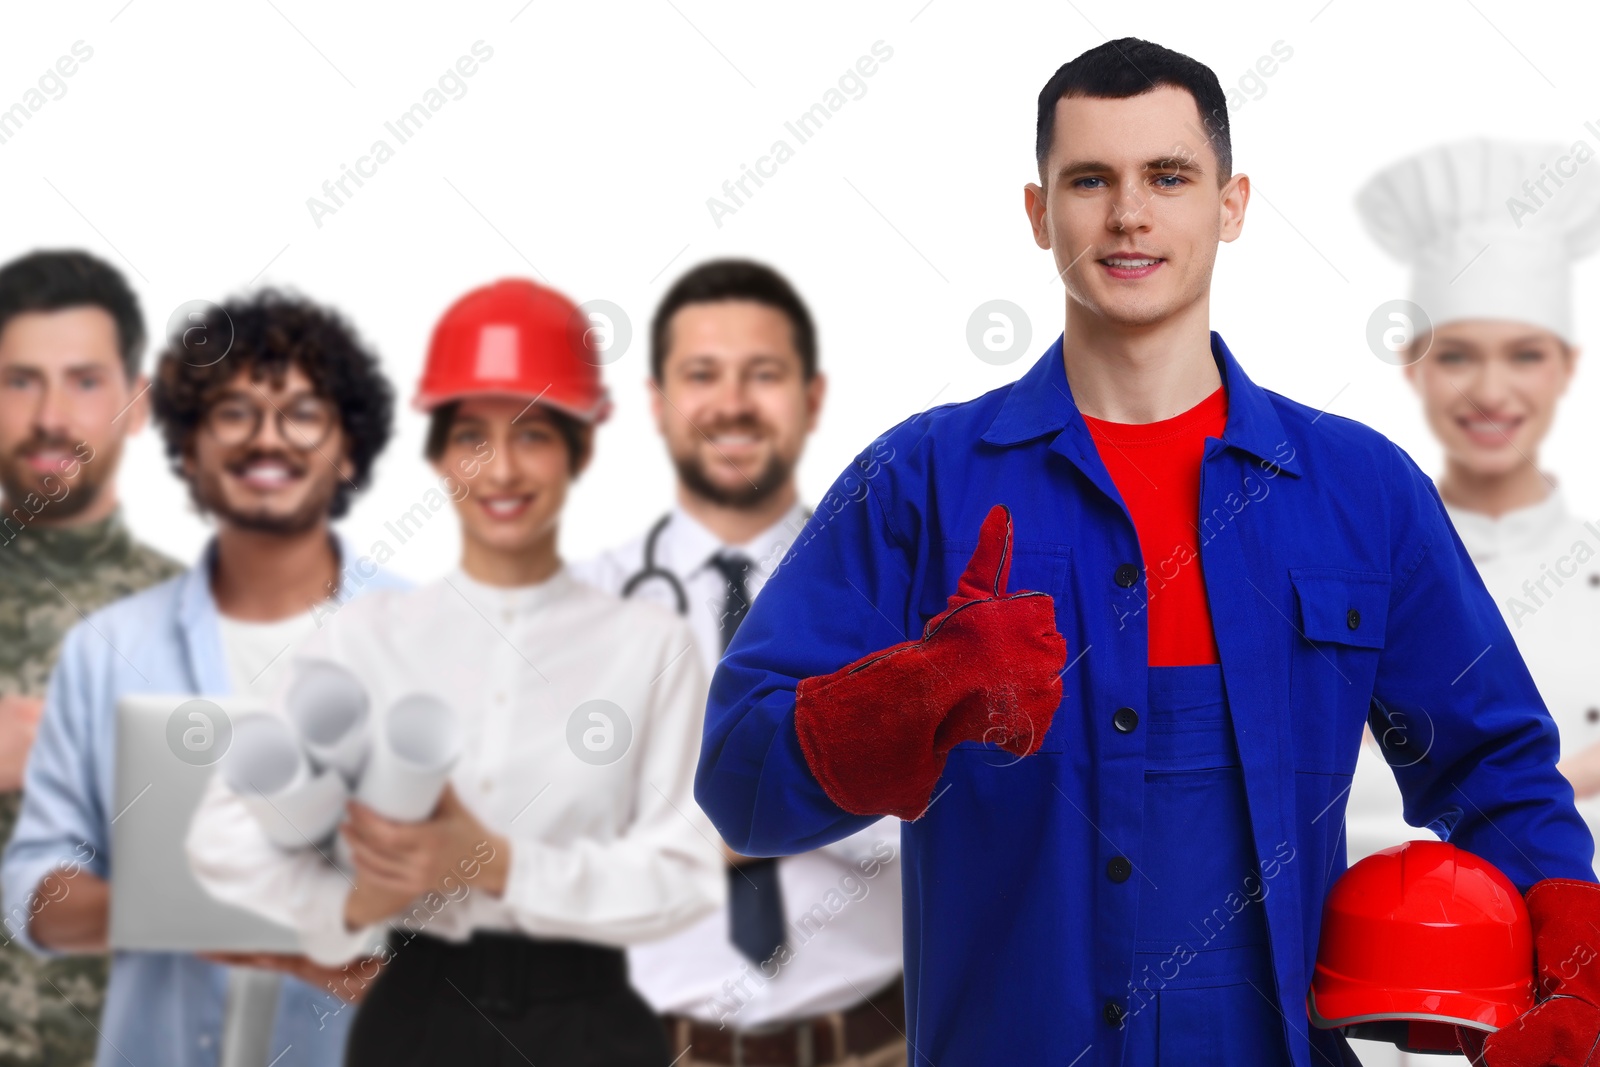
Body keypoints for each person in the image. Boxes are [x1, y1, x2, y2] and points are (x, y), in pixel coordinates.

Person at [693, 39, 1600, 1066]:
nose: (1129, 214)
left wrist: (1578, 974)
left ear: (1232, 204)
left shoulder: (1361, 491)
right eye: (1090, 180)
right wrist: (915, 692)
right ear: (1039, 213)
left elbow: (1495, 772)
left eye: (1168, 177)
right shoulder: (921, 481)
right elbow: (739, 778)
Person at [185, 277, 724, 1067]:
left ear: (582, 449)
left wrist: (492, 860)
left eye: (535, 434)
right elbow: (222, 834)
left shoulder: (651, 645)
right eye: (472, 435)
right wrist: (349, 902)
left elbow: (684, 875)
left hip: (592, 1028)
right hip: (417, 1016)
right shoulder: (365, 637)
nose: (501, 468)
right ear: (438, 452)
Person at [0, 290, 405, 1067]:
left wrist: (369, 959)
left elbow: (492, 904)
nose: (267, 438)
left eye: (303, 413)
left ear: (348, 448)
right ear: (189, 448)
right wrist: (167, 909)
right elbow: (33, 886)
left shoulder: (429, 635)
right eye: (233, 412)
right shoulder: (109, 645)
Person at [573, 259, 906, 1067]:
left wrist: (690, 815)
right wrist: (820, 784)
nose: (732, 403)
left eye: (763, 374)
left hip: (884, 1042)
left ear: (811, 397)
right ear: (657, 400)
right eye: (701, 375)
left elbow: (937, 816)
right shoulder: (583, 607)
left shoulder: (895, 582)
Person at [1340, 139, 1600, 1066]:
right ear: (1414, 366)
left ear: (1566, 365)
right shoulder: (1348, 563)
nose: (1491, 391)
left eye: (1524, 354)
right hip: (1350, 1022)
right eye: (1459, 356)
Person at [0, 249, 184, 1065]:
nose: (51, 415)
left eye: (84, 381)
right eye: (19, 380)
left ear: (136, 402)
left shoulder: (200, 615)